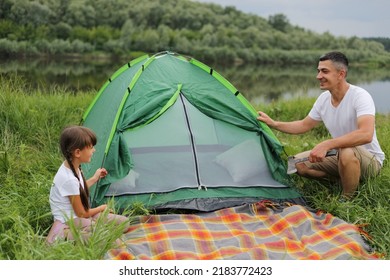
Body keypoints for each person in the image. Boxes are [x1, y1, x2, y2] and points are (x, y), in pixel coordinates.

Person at [257, 51, 385, 199]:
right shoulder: (324, 99)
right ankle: (343, 180)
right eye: (318, 71)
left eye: (325, 71)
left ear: (341, 74)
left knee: (346, 151)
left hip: (370, 162)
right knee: (297, 164)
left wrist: (327, 144)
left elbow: (366, 134)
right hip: (339, 155)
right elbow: (304, 125)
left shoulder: (360, 96)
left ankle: (347, 198)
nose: (318, 76)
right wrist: (274, 123)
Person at [46, 125, 129, 244]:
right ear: (78, 152)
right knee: (111, 241)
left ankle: (88, 229)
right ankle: (62, 234)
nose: (94, 150)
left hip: (82, 216)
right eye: (90, 147)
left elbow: (78, 188)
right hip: (70, 220)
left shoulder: (73, 166)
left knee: (124, 224)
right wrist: (101, 208)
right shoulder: (69, 179)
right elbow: (81, 213)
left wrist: (95, 178)